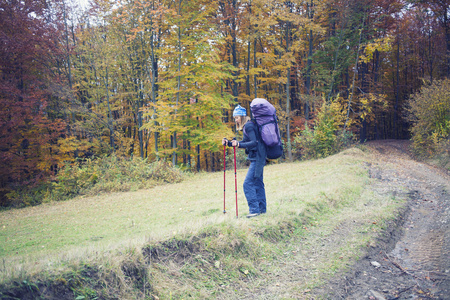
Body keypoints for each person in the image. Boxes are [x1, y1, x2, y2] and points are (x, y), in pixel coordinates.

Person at [222, 104, 267, 218]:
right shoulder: (248, 126)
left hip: (257, 157)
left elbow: (254, 142)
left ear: (242, 116)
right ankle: (261, 209)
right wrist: (229, 143)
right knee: (257, 183)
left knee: (247, 184)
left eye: (236, 117)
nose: (235, 120)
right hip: (258, 156)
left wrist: (239, 145)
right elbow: (245, 141)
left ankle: (254, 210)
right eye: (235, 118)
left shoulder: (249, 126)